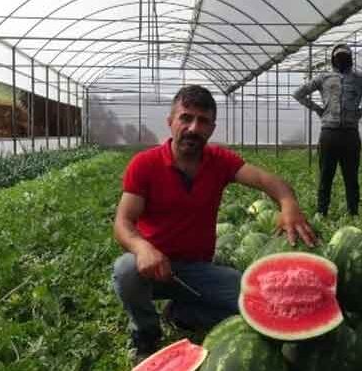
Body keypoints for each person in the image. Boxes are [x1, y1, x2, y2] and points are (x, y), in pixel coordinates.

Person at [112, 85, 317, 357]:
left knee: (257, 303)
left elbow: (269, 181)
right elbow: (122, 222)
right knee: (126, 270)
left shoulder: (219, 161)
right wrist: (142, 248)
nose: (194, 128)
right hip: (153, 269)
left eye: (203, 121)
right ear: (170, 121)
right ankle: (146, 333)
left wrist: (288, 204)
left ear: (211, 128)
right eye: (186, 118)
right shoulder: (144, 164)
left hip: (197, 271)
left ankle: (182, 312)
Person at [293, 43, 362, 217]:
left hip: (350, 134)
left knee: (351, 177)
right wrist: (318, 109)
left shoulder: (360, 79)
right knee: (325, 176)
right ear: (333, 59)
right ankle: (321, 212)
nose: (342, 60)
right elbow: (299, 93)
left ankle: (353, 213)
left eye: (345, 57)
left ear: (351, 59)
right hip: (329, 133)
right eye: (339, 57)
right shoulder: (323, 78)